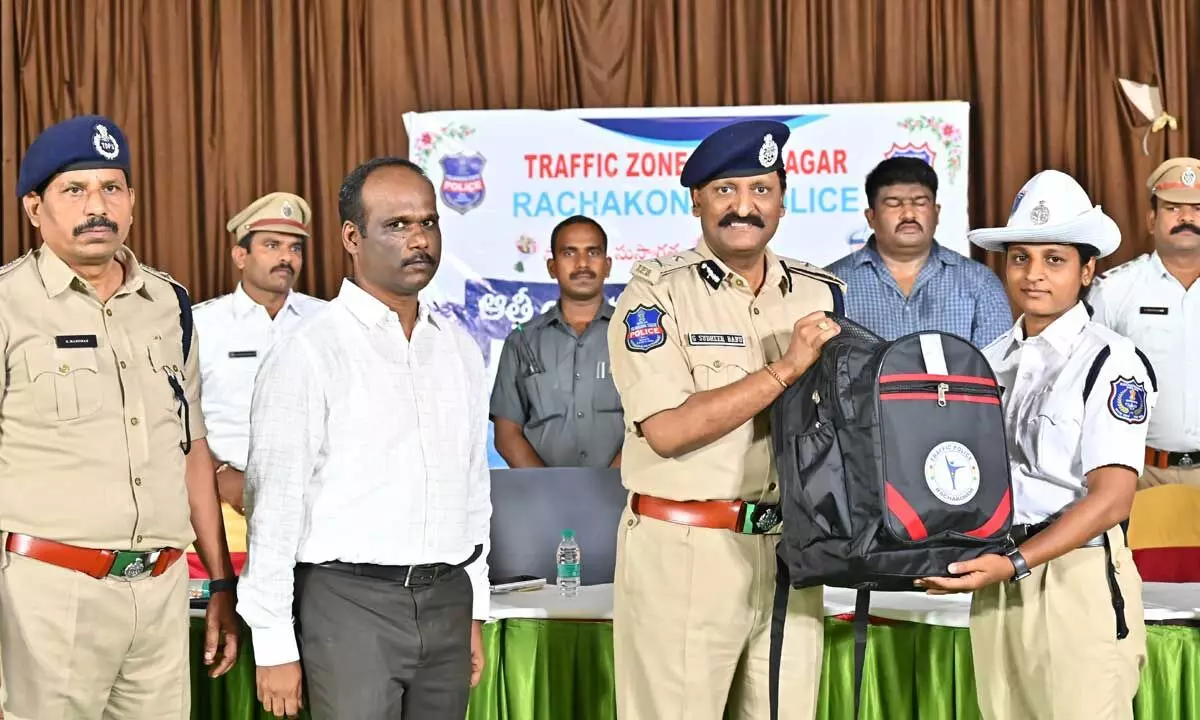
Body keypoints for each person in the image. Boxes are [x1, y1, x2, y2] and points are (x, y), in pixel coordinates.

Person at [0, 114, 238, 720]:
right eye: (74, 190)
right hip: (48, 597)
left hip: (159, 594)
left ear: (131, 201)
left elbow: (192, 452)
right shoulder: (8, 305)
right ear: (34, 208)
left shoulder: (169, 304)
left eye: (112, 188)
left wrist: (219, 580)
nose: (96, 206)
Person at [236, 157, 490, 720]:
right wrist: (274, 641)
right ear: (352, 237)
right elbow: (274, 507)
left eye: (428, 222)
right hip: (349, 605)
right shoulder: (309, 349)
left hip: (447, 601)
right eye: (396, 225)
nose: (419, 239)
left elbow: (473, 488)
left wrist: (474, 601)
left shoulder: (458, 348)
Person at [607, 120, 845, 720]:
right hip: (687, 551)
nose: (745, 207)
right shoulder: (655, 296)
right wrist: (786, 369)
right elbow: (667, 430)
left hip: (793, 552)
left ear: (783, 202)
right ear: (696, 200)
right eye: (726, 191)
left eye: (761, 190)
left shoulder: (820, 293)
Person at [919, 169, 1153, 719]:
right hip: (995, 570)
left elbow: (1113, 499)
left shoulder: (1111, 362)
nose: (1033, 275)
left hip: (1076, 578)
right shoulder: (990, 358)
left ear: (1088, 269)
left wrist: (1017, 563)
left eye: (1055, 259)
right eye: (1020, 257)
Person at [188, 192, 326, 576]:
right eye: (271, 245)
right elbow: (174, 416)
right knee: (223, 626)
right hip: (225, 509)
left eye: (294, 248)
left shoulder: (329, 323)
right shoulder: (202, 326)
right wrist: (217, 475)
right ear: (240, 256)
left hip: (315, 510)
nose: (286, 257)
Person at [1089, 157, 1200, 488]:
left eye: (1196, 207)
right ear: (1152, 220)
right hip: (1142, 473)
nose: (1186, 218)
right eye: (1172, 208)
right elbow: (1088, 381)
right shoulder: (1114, 290)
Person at [826, 156, 1012, 346]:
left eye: (920, 202)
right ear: (870, 217)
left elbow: (996, 368)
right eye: (893, 203)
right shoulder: (833, 283)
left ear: (937, 212)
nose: (908, 214)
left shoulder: (980, 283)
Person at [490, 214, 623, 468]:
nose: (582, 263)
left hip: (624, 498)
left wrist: (613, 486)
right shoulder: (522, 342)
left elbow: (652, 426)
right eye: (569, 253)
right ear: (552, 267)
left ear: (607, 265)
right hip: (542, 499)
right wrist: (549, 490)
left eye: (593, 252)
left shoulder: (635, 338)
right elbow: (507, 435)